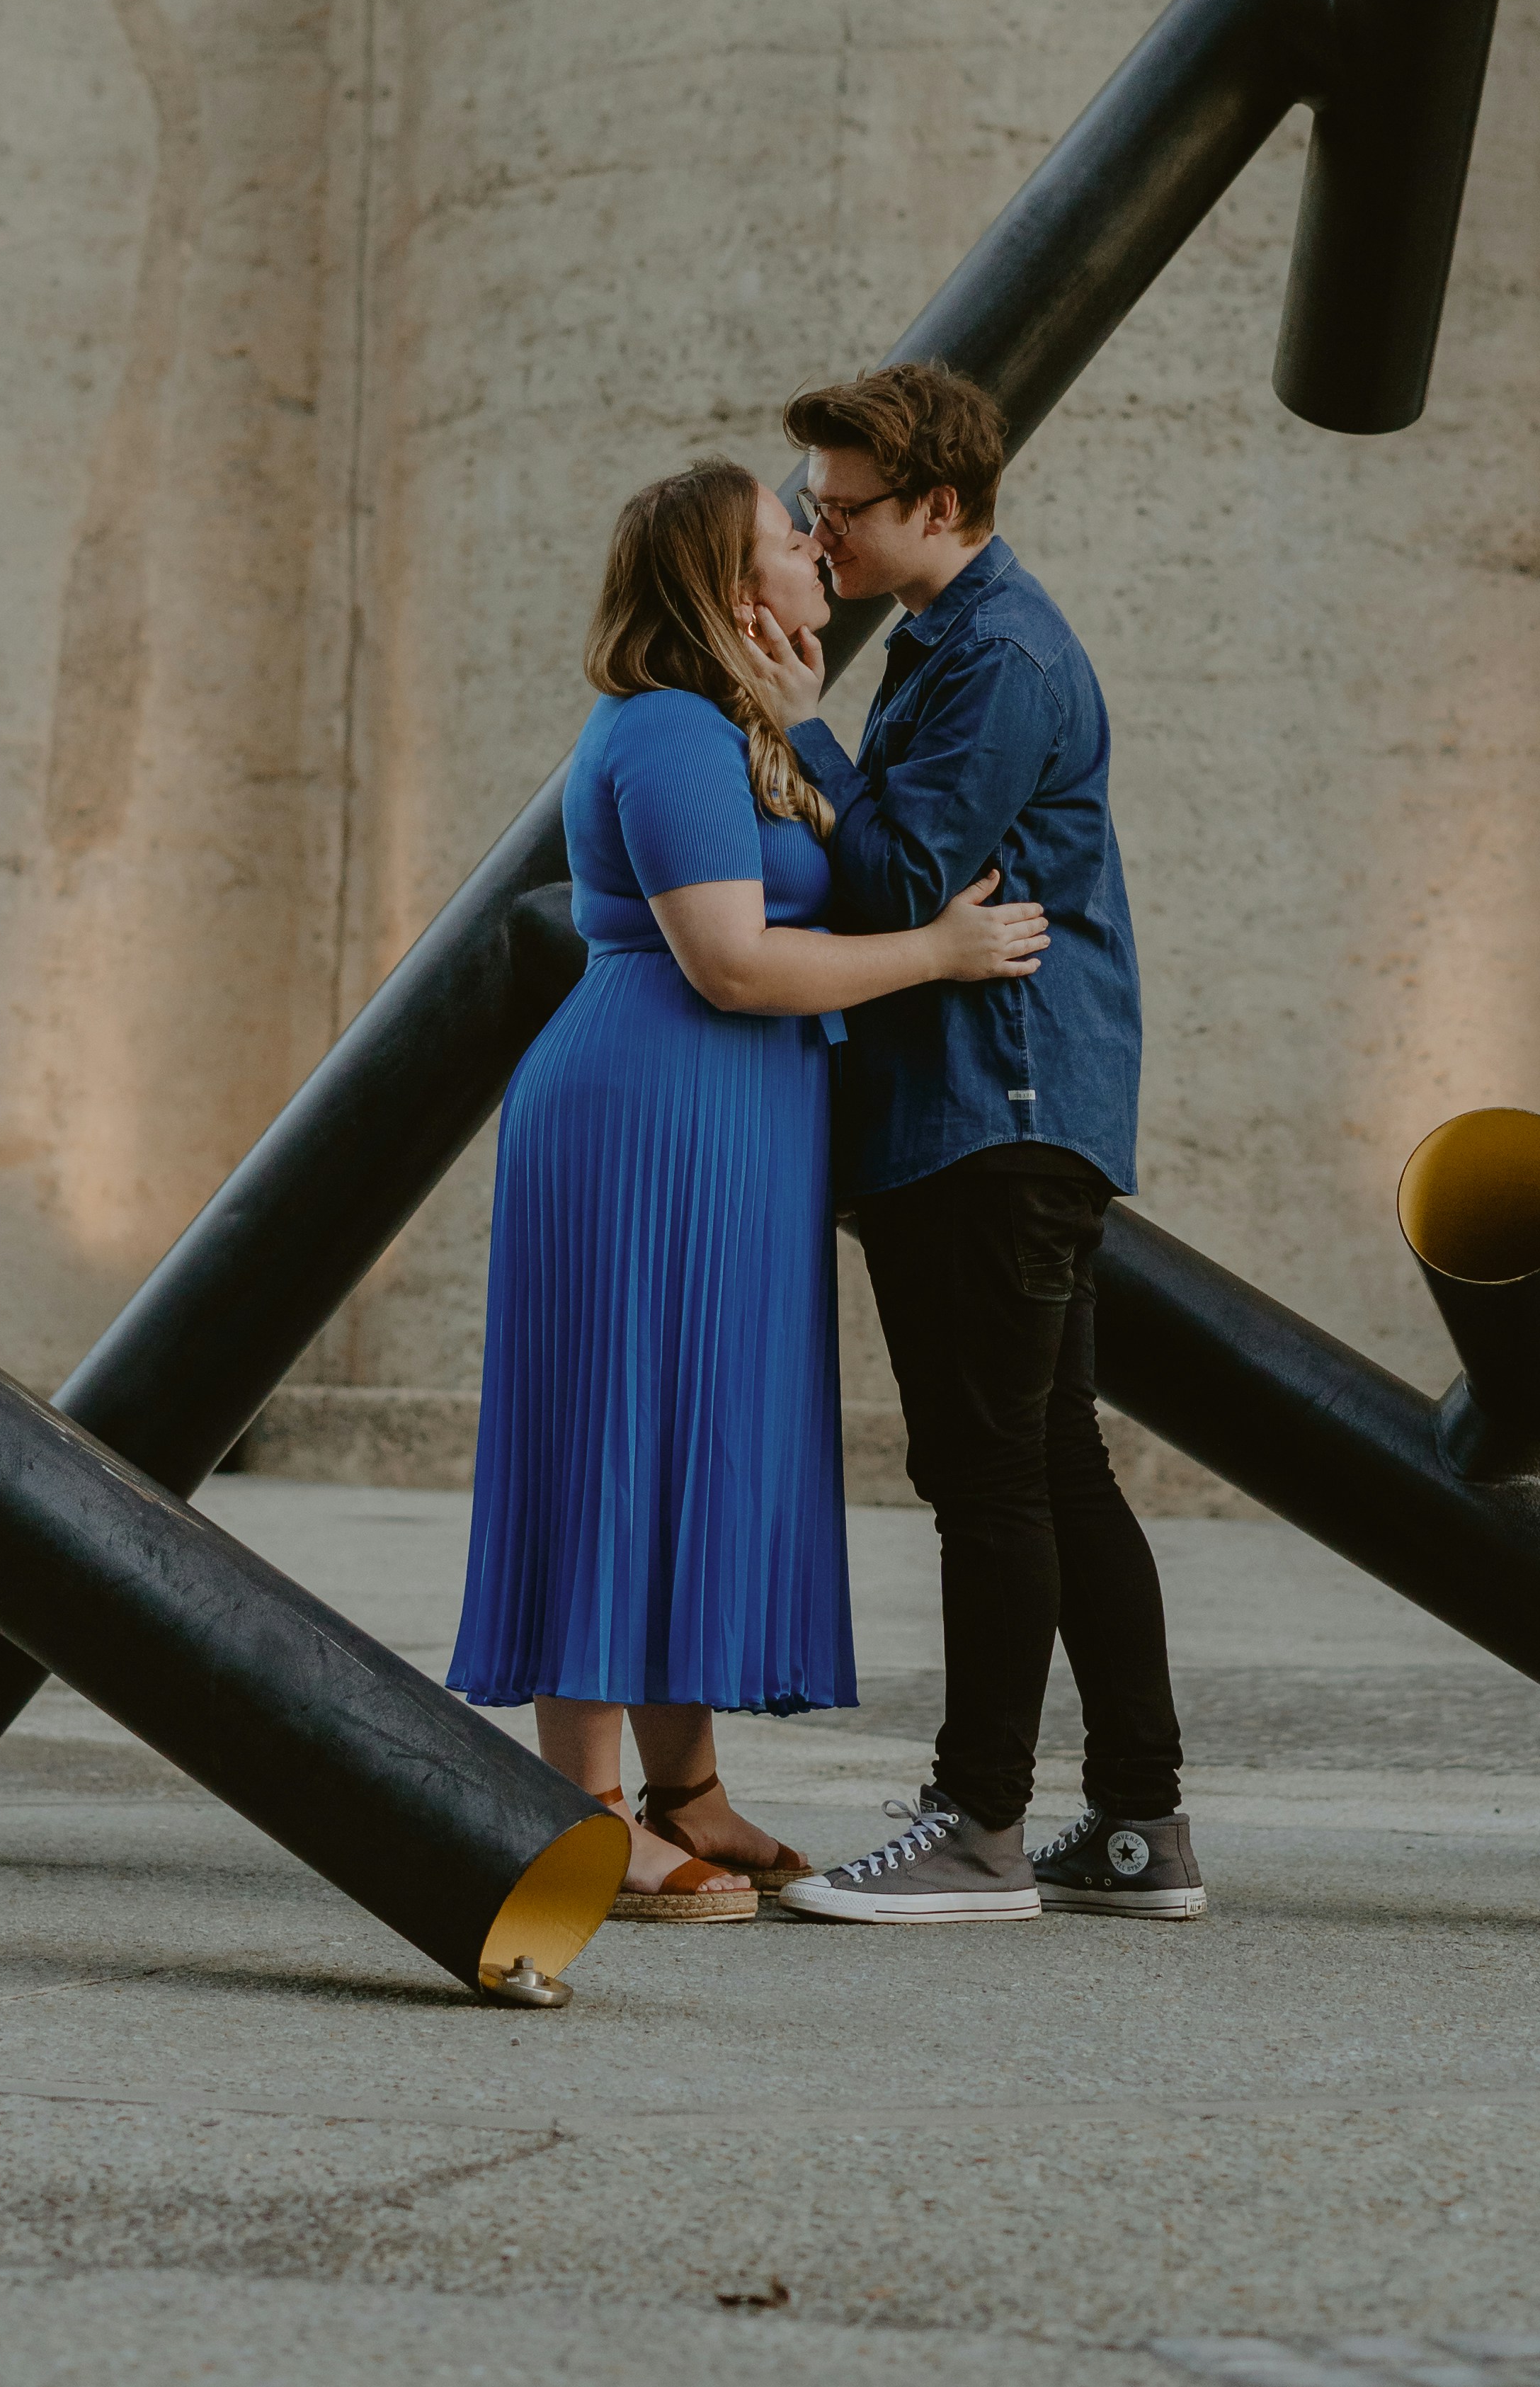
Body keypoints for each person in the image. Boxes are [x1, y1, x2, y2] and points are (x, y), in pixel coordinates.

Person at [446, 455, 1049, 1923]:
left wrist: (809, 731)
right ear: (732, 588)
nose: (819, 543)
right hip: (648, 1108)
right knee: (615, 1433)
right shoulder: (662, 732)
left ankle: (686, 1791)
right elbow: (729, 959)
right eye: (795, 533)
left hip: (740, 1116)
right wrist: (938, 956)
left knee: (692, 1434)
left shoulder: (733, 725)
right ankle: (579, 1810)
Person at [750, 362, 1206, 1928]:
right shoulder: (962, 641)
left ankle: (978, 1829)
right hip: (1003, 1117)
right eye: (811, 508)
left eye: (845, 509)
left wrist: (806, 733)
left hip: (987, 1115)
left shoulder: (998, 655)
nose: (824, 535)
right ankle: (1140, 1829)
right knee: (1055, 1467)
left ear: (938, 506)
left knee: (991, 1476)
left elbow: (898, 878)